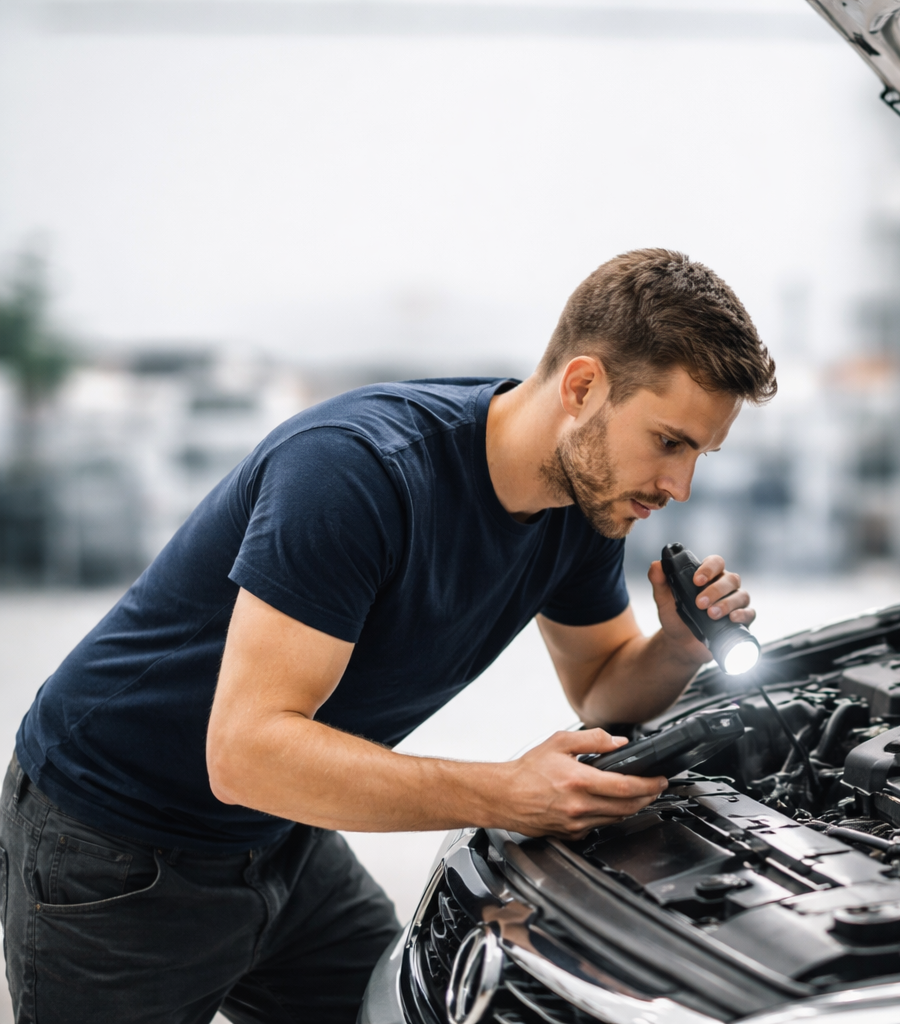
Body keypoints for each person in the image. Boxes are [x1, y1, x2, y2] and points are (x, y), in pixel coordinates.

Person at [0, 248, 776, 1023]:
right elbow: (245, 754)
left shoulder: (583, 504)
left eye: (700, 454)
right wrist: (509, 794)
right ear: (582, 387)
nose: (680, 487)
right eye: (669, 442)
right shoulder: (354, 473)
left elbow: (602, 685)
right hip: (115, 839)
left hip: (279, 832)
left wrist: (677, 646)